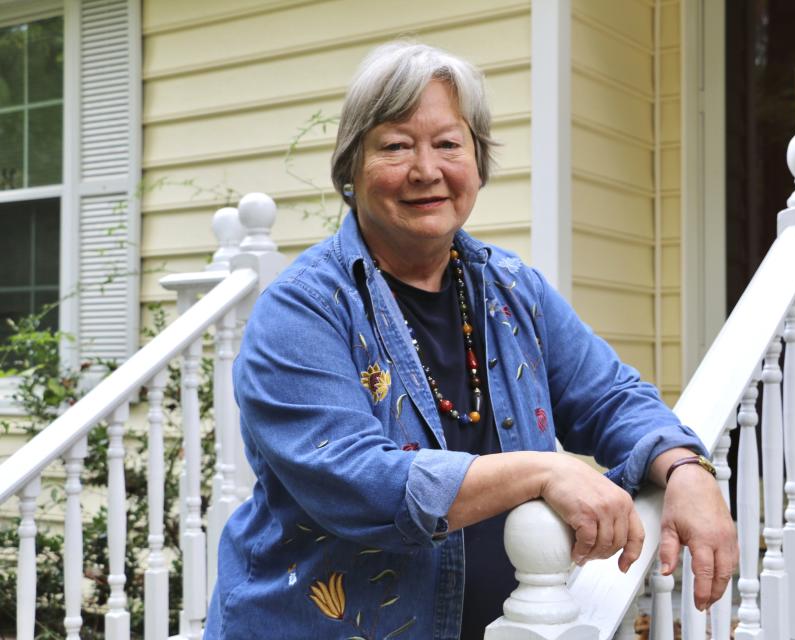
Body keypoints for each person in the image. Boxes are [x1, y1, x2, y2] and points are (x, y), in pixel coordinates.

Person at [205, 41, 736, 640]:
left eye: (449, 144)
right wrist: (539, 471)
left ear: (478, 163)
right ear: (351, 171)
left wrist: (689, 471)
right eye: (396, 145)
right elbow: (357, 482)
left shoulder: (513, 289)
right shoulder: (301, 309)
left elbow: (610, 396)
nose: (426, 170)